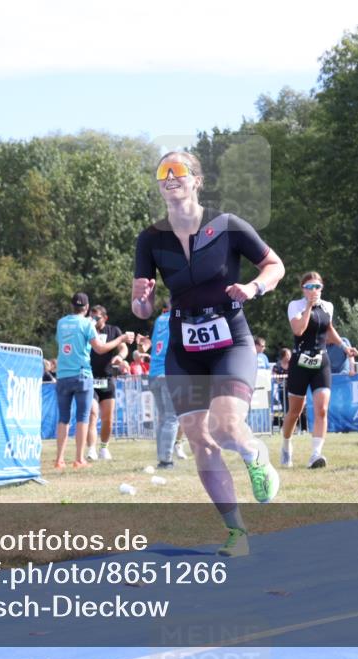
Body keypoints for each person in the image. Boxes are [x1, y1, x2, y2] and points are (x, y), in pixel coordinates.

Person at [132, 150, 285, 558]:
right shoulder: (151, 238)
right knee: (200, 438)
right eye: (162, 173)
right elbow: (141, 308)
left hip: (230, 337)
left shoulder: (227, 226)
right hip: (184, 345)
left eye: (177, 171)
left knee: (227, 427)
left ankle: (255, 454)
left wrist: (254, 288)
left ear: (196, 180)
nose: (169, 178)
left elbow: (275, 265)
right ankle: (236, 532)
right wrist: (142, 303)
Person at [280, 271, 351, 469]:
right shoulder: (295, 305)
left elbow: (328, 329)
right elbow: (298, 330)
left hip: (321, 360)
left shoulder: (328, 306)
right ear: (303, 289)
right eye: (310, 287)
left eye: (317, 287)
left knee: (322, 409)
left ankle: (316, 454)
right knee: (295, 411)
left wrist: (344, 347)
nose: (314, 290)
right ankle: (286, 445)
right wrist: (309, 306)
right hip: (300, 361)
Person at [55, 292, 133, 470]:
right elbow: (100, 348)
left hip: (62, 375)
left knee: (64, 419)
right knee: (83, 417)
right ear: (87, 308)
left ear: (71, 306)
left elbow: (61, 342)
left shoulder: (61, 323)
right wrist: (120, 339)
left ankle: (59, 460)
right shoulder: (87, 324)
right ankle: (79, 459)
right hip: (82, 375)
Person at [84, 305, 131, 461]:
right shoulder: (86, 329)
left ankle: (104, 448)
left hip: (107, 378)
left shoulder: (113, 330)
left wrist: (121, 357)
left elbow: (123, 348)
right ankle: (91, 449)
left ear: (105, 318)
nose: (94, 320)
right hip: (90, 378)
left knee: (107, 418)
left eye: (97, 317)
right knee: (92, 414)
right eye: (92, 317)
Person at [147, 298, 188, 468]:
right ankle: (166, 460)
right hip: (169, 372)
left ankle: (162, 457)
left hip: (154, 372)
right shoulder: (179, 318)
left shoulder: (159, 319)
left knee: (164, 418)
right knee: (172, 418)